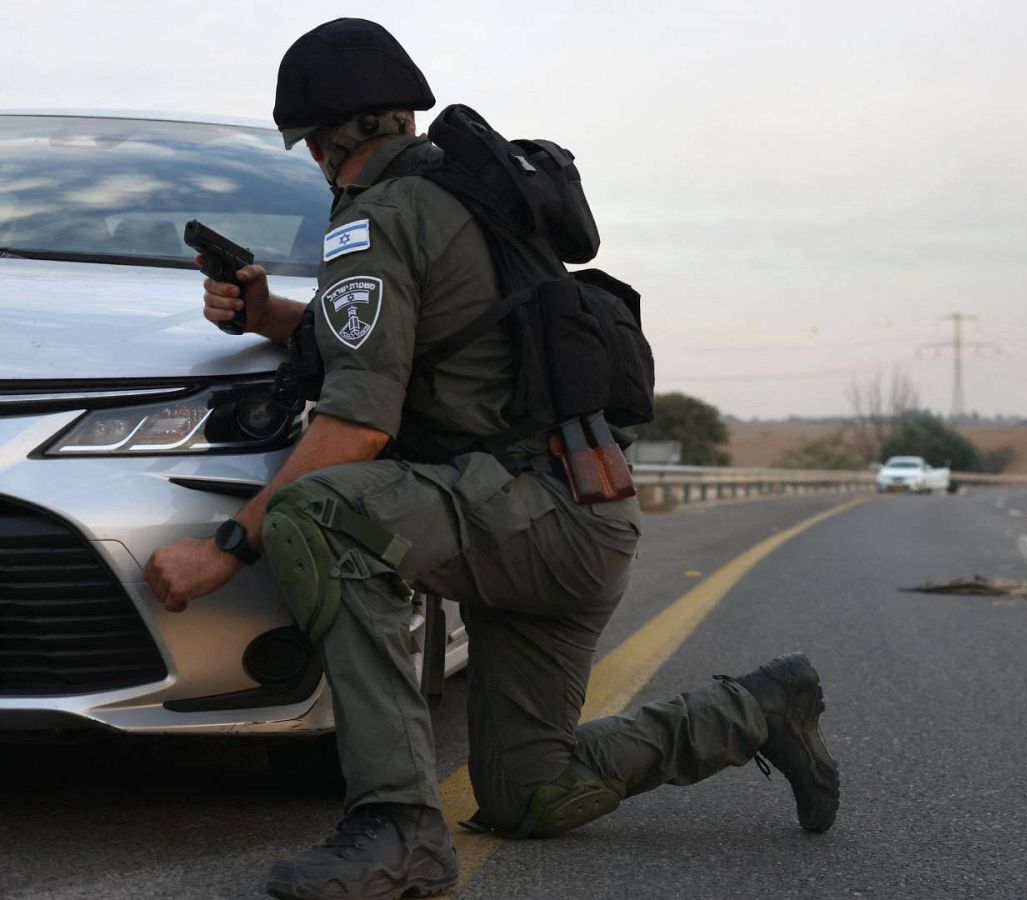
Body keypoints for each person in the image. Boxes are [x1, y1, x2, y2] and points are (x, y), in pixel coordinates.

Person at [140, 18, 838, 900]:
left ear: (322, 145)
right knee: (530, 791)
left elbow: (355, 428)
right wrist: (271, 314)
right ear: (400, 117)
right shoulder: (462, 195)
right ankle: (759, 708)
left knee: (314, 516)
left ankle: (399, 827)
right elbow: (411, 338)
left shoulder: (377, 219)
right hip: (580, 515)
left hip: (525, 515)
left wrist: (226, 548)